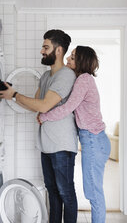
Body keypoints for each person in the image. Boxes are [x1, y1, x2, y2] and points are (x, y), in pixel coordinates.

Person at [0, 29, 78, 223]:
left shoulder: (66, 76)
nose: (41, 51)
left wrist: (15, 95)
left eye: (45, 47)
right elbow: (35, 105)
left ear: (58, 51)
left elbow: (43, 105)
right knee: (53, 193)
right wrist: (10, 93)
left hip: (62, 146)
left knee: (65, 193)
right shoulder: (45, 76)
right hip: (46, 145)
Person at [38, 46, 111, 223]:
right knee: (92, 191)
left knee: (93, 193)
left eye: (73, 57)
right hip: (94, 140)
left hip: (93, 140)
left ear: (82, 61)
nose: (68, 59)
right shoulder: (82, 79)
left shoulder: (84, 80)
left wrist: (44, 116)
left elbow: (67, 108)